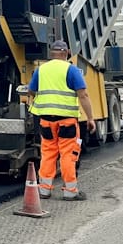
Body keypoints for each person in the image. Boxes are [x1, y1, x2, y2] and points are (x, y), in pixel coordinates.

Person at [28, 40, 96, 200]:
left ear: (52, 54)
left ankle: (44, 190)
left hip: (45, 121)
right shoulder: (71, 70)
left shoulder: (41, 70)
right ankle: (70, 192)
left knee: (48, 154)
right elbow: (83, 95)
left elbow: (31, 90)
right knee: (67, 154)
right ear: (66, 53)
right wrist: (91, 118)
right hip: (67, 121)